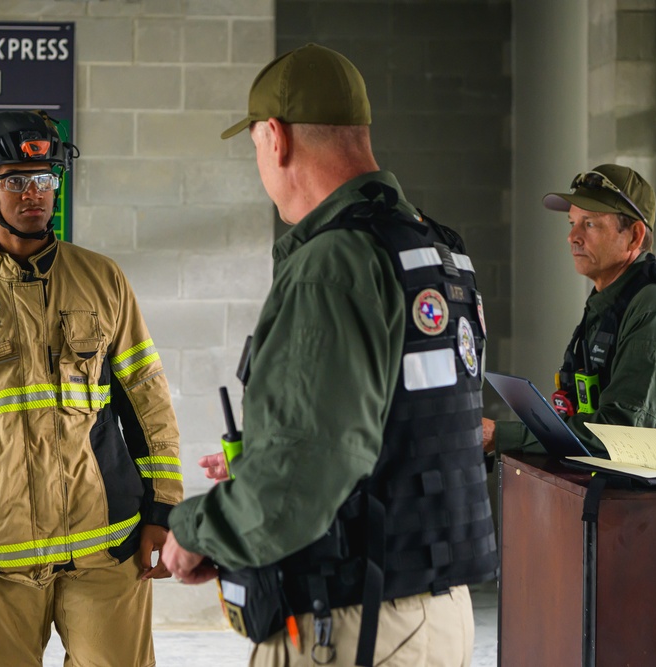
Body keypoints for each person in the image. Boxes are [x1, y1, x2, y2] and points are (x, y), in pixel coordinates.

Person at [161, 44, 498, 667]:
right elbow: (394, 438)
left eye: (256, 146)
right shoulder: (434, 250)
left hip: (352, 622)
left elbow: (298, 484)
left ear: (276, 139)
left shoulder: (332, 264)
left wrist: (196, 531)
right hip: (436, 616)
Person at [0, 110, 182, 666]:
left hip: (105, 548)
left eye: (45, 178)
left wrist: (163, 511)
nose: (35, 194)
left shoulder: (103, 280)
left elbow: (148, 402)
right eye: (14, 181)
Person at [483, 164, 656, 455]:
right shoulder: (610, 300)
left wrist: (499, 435)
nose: (573, 237)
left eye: (589, 223)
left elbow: (622, 435)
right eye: (572, 223)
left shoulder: (650, 307)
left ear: (634, 236)